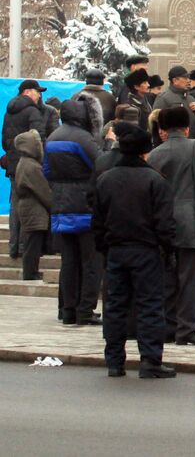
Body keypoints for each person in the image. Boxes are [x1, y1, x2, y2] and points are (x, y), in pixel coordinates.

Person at [93, 122, 177, 379]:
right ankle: (150, 361)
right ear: (144, 152)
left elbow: (96, 221)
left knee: (115, 307)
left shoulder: (105, 180)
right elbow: (164, 223)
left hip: (116, 251)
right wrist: (167, 249)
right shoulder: (155, 181)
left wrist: (104, 248)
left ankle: (115, 362)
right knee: (150, 305)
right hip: (146, 251)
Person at [147, 107, 195, 347]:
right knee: (189, 278)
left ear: (163, 130)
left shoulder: (154, 154)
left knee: (166, 277)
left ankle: (168, 327)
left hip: (162, 222)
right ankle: (187, 329)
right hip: (191, 220)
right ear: (187, 128)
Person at [46, 98, 105, 325]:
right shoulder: (83, 138)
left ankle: (68, 310)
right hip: (85, 206)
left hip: (61, 206)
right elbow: (100, 165)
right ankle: (85, 310)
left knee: (68, 262)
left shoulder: (51, 138)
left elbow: (47, 171)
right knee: (91, 262)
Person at [5, 80, 55, 258]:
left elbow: (5, 141)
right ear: (27, 92)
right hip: (31, 166)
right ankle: (25, 247)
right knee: (32, 205)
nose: (39, 95)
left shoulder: (10, 111)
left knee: (15, 205)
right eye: (37, 91)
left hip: (14, 165)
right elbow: (38, 138)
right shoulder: (33, 111)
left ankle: (14, 246)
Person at [10, 130, 51, 281]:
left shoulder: (24, 163)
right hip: (34, 208)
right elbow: (43, 191)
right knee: (33, 243)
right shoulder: (31, 166)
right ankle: (30, 272)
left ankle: (31, 271)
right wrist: (53, 205)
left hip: (29, 207)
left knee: (31, 242)